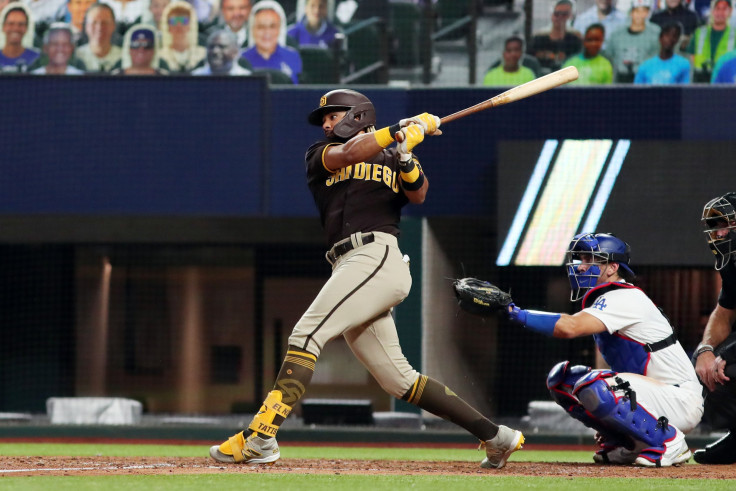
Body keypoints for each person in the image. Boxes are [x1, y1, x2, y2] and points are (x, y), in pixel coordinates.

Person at [208, 89, 525, 470]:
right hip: (348, 263)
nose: (326, 123)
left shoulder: (391, 153)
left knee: (306, 335)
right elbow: (351, 154)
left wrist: (406, 152)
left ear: (358, 114)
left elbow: (418, 193)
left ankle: (261, 436)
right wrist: (399, 130)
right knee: (399, 380)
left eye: (333, 115)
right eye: (324, 119)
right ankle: (497, 436)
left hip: (376, 255)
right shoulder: (319, 154)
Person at [503, 232, 703, 466]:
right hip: (653, 396)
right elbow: (606, 367)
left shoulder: (624, 297)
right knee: (564, 381)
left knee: (594, 385)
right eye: (580, 259)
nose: (580, 267)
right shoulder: (605, 301)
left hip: (678, 398)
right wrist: (610, 424)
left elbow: (569, 327)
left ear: (612, 267)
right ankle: (627, 442)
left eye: (589, 260)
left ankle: (669, 441)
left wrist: (515, 313)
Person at [692, 192, 736, 465]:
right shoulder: (732, 264)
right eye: (713, 226)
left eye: (723, 224)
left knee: (729, 368)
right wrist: (706, 350)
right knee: (706, 369)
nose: (717, 233)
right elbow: (723, 313)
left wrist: (729, 353)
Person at [241, 0, 301, 83]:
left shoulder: (293, 56)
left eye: (272, 26)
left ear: (280, 29)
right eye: (261, 27)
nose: (267, 32)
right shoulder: (241, 59)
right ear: (252, 29)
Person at [605, 0, 662, 83]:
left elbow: (658, 59)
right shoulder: (617, 34)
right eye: (636, 11)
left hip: (645, 79)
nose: (639, 15)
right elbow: (609, 56)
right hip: (620, 79)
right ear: (631, 13)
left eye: (643, 11)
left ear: (647, 13)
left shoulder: (655, 33)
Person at [527, 0, 582, 75]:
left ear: (571, 16)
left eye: (564, 14)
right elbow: (529, 62)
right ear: (552, 15)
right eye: (557, 14)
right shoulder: (538, 38)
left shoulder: (575, 40)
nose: (560, 17)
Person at [687, 0, 734, 83]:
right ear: (712, 11)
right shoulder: (699, 32)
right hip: (700, 79)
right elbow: (691, 55)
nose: (720, 13)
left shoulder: (734, 34)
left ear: (730, 11)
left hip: (724, 79)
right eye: (717, 9)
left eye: (724, 9)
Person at [158, 0, 205, 73]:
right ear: (167, 26)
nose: (179, 25)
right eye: (174, 21)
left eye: (183, 20)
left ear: (190, 25)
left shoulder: (203, 54)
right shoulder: (160, 56)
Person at [75, 3, 121, 72]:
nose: (99, 27)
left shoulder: (123, 57)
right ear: (86, 26)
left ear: (113, 25)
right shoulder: (75, 57)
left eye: (104, 23)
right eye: (94, 22)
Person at [0, 2, 40, 72]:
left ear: (26, 28)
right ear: (4, 27)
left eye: (21, 24)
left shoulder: (36, 58)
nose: (15, 28)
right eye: (11, 24)